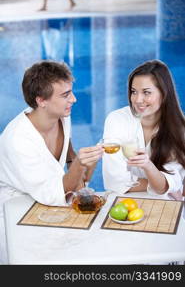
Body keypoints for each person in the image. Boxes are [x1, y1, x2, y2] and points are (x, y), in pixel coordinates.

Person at [0, 60, 103, 264]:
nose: (73, 99)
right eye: (65, 95)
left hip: (46, 199)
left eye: (71, 92)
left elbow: (69, 150)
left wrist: (80, 163)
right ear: (41, 101)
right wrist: (78, 166)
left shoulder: (61, 116)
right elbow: (50, 193)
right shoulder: (18, 139)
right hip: (13, 206)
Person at [102, 59, 185, 200]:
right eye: (134, 92)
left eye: (146, 92)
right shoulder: (116, 119)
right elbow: (114, 181)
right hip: (123, 202)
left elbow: (168, 186)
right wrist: (157, 183)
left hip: (167, 206)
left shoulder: (179, 130)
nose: (138, 100)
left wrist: (148, 166)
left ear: (164, 93)